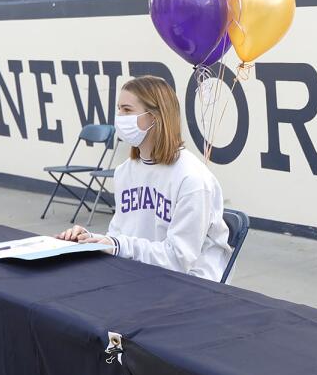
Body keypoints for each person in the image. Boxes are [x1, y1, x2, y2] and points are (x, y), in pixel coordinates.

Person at [57, 75, 231, 281]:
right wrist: (91, 239)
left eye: (127, 110)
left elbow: (178, 260)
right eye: (118, 109)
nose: (119, 117)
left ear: (155, 117)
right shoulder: (125, 171)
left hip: (191, 285)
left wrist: (117, 246)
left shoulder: (193, 179)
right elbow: (120, 236)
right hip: (139, 274)